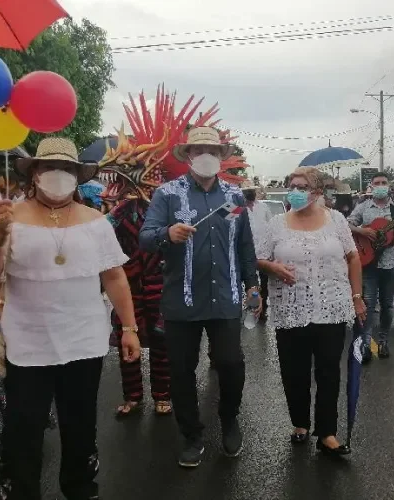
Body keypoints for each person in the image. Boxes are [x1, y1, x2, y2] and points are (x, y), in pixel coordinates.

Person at [0, 137, 140, 499]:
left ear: (78, 176)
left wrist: (129, 328)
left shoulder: (95, 221)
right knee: (24, 427)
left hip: (84, 340)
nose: (58, 175)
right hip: (28, 342)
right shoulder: (8, 217)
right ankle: (22, 491)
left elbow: (114, 276)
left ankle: (80, 488)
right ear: (35, 173)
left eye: (67, 169)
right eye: (50, 168)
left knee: (80, 425)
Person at [139, 126, 259, 468]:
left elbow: (246, 248)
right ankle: (191, 434)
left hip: (226, 298)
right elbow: (145, 238)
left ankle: (230, 419)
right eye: (198, 149)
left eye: (212, 149)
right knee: (181, 371)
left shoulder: (235, 197)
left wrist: (253, 286)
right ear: (188, 155)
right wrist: (167, 233)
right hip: (182, 299)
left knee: (231, 363)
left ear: (221, 156)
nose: (205, 155)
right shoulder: (167, 194)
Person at [257, 167, 366, 456]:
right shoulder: (277, 224)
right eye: (292, 185)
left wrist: (357, 297)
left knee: (329, 371)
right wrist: (272, 267)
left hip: (331, 308)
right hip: (290, 310)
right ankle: (300, 423)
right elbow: (258, 259)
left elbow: (353, 257)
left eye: (302, 186)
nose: (295, 190)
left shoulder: (336, 220)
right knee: (295, 372)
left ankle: (327, 432)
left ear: (317, 192)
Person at [98, 111, 177, 419]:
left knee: (161, 341)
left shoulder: (165, 207)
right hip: (126, 284)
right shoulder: (119, 211)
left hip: (160, 281)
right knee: (124, 339)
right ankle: (132, 395)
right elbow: (104, 233)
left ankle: (162, 393)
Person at [347, 171, 394, 361]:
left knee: (387, 305)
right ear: (372, 186)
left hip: (391, 265)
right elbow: (346, 224)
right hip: (369, 265)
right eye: (377, 183)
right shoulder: (363, 207)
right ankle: (366, 345)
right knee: (368, 304)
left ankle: (383, 342)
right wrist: (363, 230)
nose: (381, 185)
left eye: (384, 182)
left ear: (389, 185)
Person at [242, 180, 273, 318]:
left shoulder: (264, 207)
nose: (250, 193)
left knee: (264, 283)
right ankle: (249, 306)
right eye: (247, 191)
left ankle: (263, 310)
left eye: (251, 190)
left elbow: (271, 227)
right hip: (244, 253)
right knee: (247, 281)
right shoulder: (235, 208)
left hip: (263, 252)